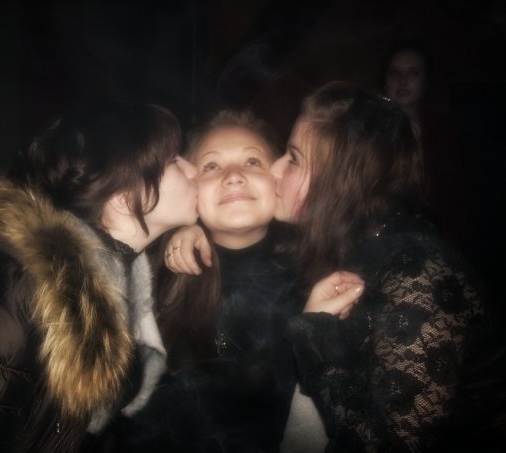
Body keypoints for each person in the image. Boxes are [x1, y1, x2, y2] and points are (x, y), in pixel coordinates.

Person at [168, 81, 506, 451]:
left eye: (294, 158)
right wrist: (183, 227)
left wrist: (315, 335)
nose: (276, 168)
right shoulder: (343, 252)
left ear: (338, 180)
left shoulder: (417, 270)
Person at [0, 101, 199, 452]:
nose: (193, 168)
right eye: (174, 160)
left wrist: (195, 233)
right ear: (124, 198)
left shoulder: (130, 277)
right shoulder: (13, 283)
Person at [110, 110, 364, 453]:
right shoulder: (152, 276)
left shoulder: (324, 279)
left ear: (279, 179)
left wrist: (314, 332)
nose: (233, 177)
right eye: (211, 166)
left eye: (252, 162)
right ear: (190, 185)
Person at [381, 39, 468, 249]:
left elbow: (455, 194)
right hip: (384, 237)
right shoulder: (368, 129)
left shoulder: (444, 130)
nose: (402, 81)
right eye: (395, 73)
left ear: (426, 81)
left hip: (438, 239)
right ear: (385, 79)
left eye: (413, 73)